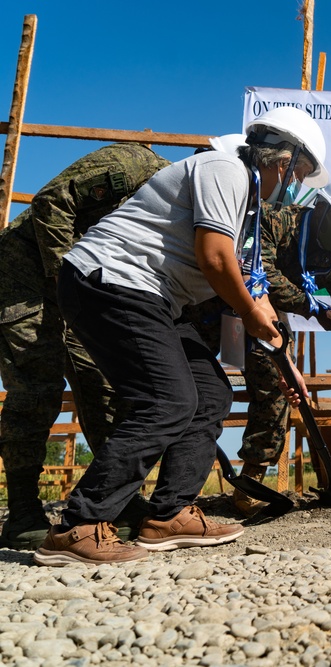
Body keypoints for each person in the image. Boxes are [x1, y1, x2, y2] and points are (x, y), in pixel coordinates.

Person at [33, 107, 329, 566]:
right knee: (166, 400)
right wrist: (251, 313)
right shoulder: (224, 169)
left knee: (210, 392)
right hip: (111, 281)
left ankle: (167, 515)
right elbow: (214, 260)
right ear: (282, 161)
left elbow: (255, 294)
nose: (294, 186)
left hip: (154, 297)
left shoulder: (248, 210)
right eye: (300, 175)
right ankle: (79, 526)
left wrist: (285, 364)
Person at [184, 177, 331, 517]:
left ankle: (249, 485)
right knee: (183, 388)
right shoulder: (275, 220)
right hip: (217, 301)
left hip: (263, 318)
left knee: (281, 384)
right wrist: (314, 307)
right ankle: (170, 490)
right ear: (320, 208)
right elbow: (262, 272)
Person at [0, 143, 171, 550]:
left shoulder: (181, 213)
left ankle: (116, 498)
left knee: (104, 384)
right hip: (22, 277)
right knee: (37, 388)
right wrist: (66, 277)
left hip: (84, 288)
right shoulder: (134, 166)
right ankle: (23, 510)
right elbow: (50, 202)